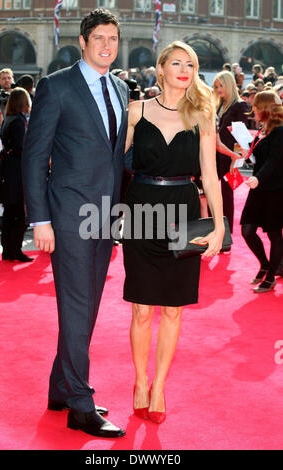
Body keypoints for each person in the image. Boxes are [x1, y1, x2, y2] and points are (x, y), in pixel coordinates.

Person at [22, 9, 128, 438]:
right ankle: (80, 406)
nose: (107, 45)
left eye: (114, 38)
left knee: (87, 307)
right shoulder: (56, 86)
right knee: (78, 305)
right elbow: (34, 157)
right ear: (82, 41)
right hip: (66, 215)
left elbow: (114, 156)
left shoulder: (121, 88)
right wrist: (40, 220)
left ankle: (60, 387)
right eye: (99, 37)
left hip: (104, 216)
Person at [122, 41, 225, 424]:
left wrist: (219, 224)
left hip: (183, 210)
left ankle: (160, 385)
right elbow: (110, 164)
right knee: (142, 308)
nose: (184, 69)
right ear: (161, 68)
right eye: (177, 63)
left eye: (191, 65)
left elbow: (210, 176)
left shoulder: (202, 115)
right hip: (141, 212)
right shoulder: (136, 111)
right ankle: (140, 380)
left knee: (173, 309)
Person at [240, 91, 283, 292]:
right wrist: (246, 152)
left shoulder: (280, 130)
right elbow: (261, 156)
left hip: (275, 190)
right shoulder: (263, 129)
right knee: (247, 231)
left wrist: (258, 177)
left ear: (264, 109)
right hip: (258, 187)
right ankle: (265, 264)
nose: (253, 111)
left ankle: (271, 276)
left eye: (256, 107)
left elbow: (275, 160)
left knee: (275, 234)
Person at [0, 88, 33, 262]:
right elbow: (21, 148)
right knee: (18, 214)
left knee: (9, 214)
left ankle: (8, 250)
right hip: (17, 173)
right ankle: (15, 249)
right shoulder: (18, 122)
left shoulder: (9, 120)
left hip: (9, 171)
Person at [213, 70, 249, 233]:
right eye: (216, 86)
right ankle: (216, 227)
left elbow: (241, 136)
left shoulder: (240, 105)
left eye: (221, 85)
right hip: (216, 153)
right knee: (213, 192)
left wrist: (235, 161)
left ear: (229, 84)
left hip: (229, 156)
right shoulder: (221, 104)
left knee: (227, 194)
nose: (218, 89)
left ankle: (227, 233)